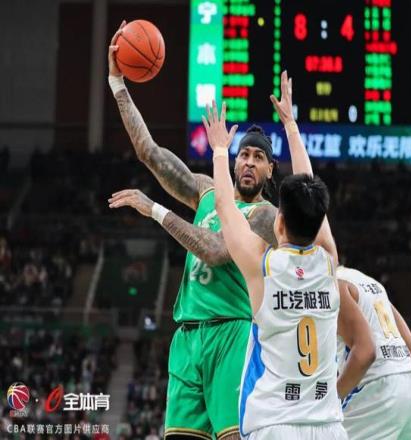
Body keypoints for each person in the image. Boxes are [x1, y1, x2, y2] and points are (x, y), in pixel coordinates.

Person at [108, 22, 277, 440]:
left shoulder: (264, 215)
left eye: (258, 158)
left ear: (270, 170)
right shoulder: (206, 190)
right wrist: (118, 84)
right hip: (187, 335)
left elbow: (217, 251)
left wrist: (155, 210)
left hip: (232, 332)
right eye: (244, 155)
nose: (249, 162)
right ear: (233, 161)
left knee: (233, 436)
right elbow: (149, 152)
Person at [201, 72, 375, 439]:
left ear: (279, 223)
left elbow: (223, 205)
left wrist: (219, 150)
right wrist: (291, 126)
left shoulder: (263, 266)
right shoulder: (329, 262)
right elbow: (309, 189)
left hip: (273, 425)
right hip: (328, 427)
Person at [336, 266, 411, 439]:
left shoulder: (331, 286)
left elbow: (365, 353)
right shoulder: (373, 284)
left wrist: (332, 399)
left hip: (377, 391)